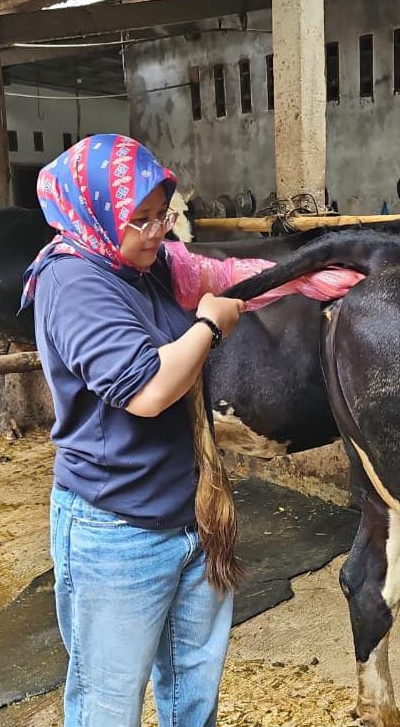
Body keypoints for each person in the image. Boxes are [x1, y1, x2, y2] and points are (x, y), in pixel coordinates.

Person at [20, 134, 245, 726]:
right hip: (115, 530)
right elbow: (146, 392)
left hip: (189, 517)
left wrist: (322, 269)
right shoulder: (73, 283)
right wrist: (210, 327)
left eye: (161, 216)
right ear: (92, 212)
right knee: (108, 703)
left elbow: (227, 271)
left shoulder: (146, 268)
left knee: (194, 692)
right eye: (138, 220)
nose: (155, 233)